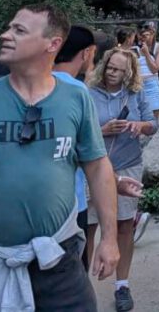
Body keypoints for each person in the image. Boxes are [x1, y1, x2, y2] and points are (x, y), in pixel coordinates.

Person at [0, 5, 119, 312]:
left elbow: (98, 166)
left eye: (19, 30)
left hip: (58, 259)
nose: (6, 35)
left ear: (53, 44)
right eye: (9, 28)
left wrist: (110, 239)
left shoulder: (75, 99)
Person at [85, 48, 158, 310]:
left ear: (129, 72)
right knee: (89, 226)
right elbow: (80, 130)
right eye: (109, 67)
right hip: (94, 167)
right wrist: (103, 130)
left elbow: (153, 123)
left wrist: (140, 126)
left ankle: (122, 285)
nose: (112, 73)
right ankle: (83, 286)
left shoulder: (135, 94)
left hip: (128, 165)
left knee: (125, 226)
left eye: (118, 69)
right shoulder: (88, 93)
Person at [51, 26, 98, 268]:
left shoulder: (37, 83)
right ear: (87, 52)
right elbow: (91, 155)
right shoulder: (78, 91)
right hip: (71, 201)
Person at [133, 21, 159, 120]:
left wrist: (147, 53)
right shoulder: (134, 49)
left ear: (153, 34)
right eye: (141, 35)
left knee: (152, 120)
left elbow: (155, 69)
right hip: (137, 85)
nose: (143, 37)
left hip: (152, 86)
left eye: (147, 35)